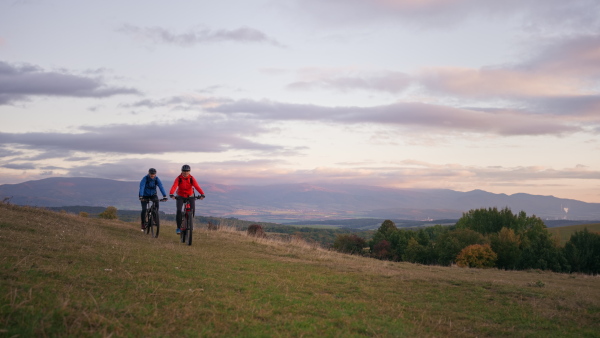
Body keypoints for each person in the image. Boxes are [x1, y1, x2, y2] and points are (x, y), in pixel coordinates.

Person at [170, 164, 206, 234]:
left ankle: (190, 222)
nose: (186, 172)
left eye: (187, 171)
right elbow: (174, 186)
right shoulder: (179, 178)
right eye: (184, 171)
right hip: (180, 195)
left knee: (192, 210)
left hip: (190, 195)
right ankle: (178, 227)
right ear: (182, 171)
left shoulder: (191, 178)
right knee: (179, 211)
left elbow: (196, 186)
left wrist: (202, 194)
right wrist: (171, 194)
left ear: (189, 171)